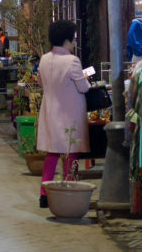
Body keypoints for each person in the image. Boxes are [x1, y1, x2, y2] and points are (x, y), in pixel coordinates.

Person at [36, 19, 90, 209]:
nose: (74, 43)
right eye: (73, 39)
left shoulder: (43, 59)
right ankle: (70, 188)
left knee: (52, 155)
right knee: (71, 155)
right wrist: (88, 81)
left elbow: (41, 84)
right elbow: (83, 87)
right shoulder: (72, 61)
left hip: (50, 113)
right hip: (69, 114)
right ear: (67, 41)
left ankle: (44, 194)